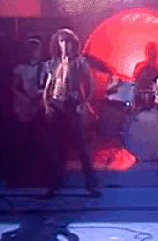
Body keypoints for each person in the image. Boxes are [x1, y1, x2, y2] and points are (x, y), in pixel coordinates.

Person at [42, 28, 100, 198]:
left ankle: (91, 185)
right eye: (62, 41)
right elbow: (48, 87)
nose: (65, 45)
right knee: (56, 148)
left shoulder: (80, 63)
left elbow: (91, 85)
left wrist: (84, 103)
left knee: (82, 147)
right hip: (56, 105)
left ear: (73, 44)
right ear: (57, 43)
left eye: (68, 42)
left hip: (73, 105)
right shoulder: (52, 63)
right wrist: (47, 105)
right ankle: (54, 185)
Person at [9, 37, 46, 185]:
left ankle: (38, 175)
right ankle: (21, 175)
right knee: (23, 140)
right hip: (24, 106)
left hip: (39, 106)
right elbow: (14, 87)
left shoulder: (45, 67)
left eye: (35, 49)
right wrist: (24, 98)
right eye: (30, 49)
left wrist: (41, 95)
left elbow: (49, 87)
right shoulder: (20, 68)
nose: (33, 52)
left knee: (39, 141)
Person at [132, 42, 158, 109]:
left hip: (153, 97)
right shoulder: (140, 66)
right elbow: (134, 79)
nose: (151, 55)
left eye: (153, 52)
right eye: (150, 52)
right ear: (146, 53)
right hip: (139, 95)